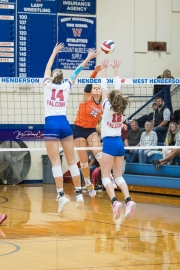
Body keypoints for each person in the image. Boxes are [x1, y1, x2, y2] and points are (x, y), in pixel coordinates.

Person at [43, 43, 99, 213]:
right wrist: (89, 58)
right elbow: (77, 71)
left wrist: (53, 52)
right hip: (65, 124)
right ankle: (79, 194)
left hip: (51, 123)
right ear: (62, 78)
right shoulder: (67, 85)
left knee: (55, 163)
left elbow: (47, 67)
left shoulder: (46, 84)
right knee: (72, 161)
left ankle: (60, 196)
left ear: (52, 77)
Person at [100, 58, 136, 220]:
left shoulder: (107, 107)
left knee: (106, 177)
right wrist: (116, 70)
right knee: (119, 176)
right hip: (120, 144)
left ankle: (115, 202)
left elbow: (103, 88)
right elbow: (117, 89)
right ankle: (128, 200)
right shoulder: (121, 107)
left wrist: (104, 69)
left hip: (109, 143)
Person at [73, 65, 103, 197]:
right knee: (84, 162)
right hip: (79, 131)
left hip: (91, 130)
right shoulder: (86, 97)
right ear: (91, 91)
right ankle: (87, 182)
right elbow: (88, 84)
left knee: (99, 153)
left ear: (101, 92)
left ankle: (109, 176)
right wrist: (96, 71)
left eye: (98, 88)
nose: (96, 89)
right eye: (94, 88)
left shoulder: (103, 105)